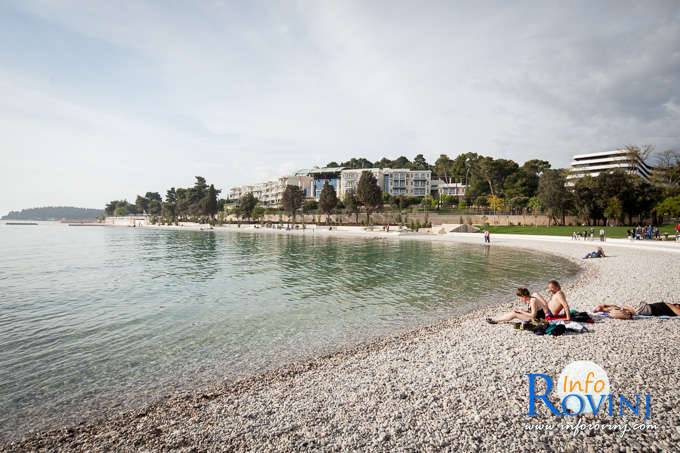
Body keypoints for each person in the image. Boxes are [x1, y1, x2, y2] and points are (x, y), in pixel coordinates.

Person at [594, 302, 680, 318]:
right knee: (627, 311)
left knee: (621, 308)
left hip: (645, 306)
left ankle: (605, 306)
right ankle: (605, 309)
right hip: (647, 309)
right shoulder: (670, 306)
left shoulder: (666, 305)